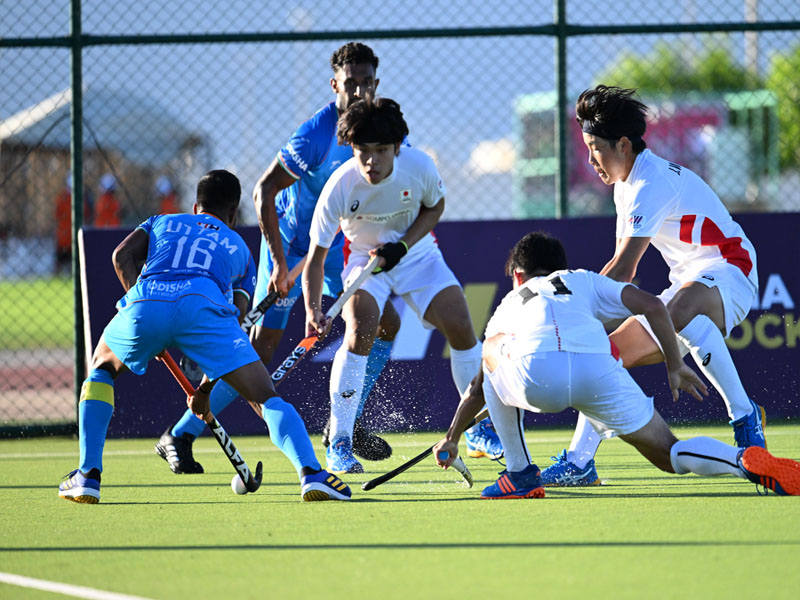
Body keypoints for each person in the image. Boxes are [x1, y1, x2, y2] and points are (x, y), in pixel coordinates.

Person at [157, 42, 500, 474]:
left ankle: (346, 423)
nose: (358, 92)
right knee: (260, 348)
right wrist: (281, 263)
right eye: (350, 84)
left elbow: (414, 191)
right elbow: (265, 192)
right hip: (292, 242)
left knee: (384, 326)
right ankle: (183, 432)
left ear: (376, 84)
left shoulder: (388, 133)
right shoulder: (317, 133)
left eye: (366, 83)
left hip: (342, 242)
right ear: (335, 83)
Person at [432, 231, 800, 498]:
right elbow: (653, 306)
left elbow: (479, 387)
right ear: (561, 268)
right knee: (669, 453)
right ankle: (744, 460)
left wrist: (452, 436)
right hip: (599, 370)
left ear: (517, 276)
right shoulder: (584, 280)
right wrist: (674, 364)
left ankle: (520, 474)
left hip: (537, 376)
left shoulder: (512, 301)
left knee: (490, 350)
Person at [58, 170, 351, 504]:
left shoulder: (162, 221)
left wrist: (143, 310)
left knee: (100, 369)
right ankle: (311, 473)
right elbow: (237, 319)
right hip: (204, 307)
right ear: (233, 213)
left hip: (145, 303)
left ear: (196, 206)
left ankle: (88, 475)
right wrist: (207, 387)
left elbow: (121, 256)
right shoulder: (240, 246)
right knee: (264, 396)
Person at [540, 85, 767, 487]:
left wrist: (568, 309)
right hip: (688, 282)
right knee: (605, 355)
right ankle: (578, 462)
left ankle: (744, 416)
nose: (591, 160)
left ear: (623, 144)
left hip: (731, 269)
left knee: (679, 310)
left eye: (595, 148)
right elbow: (614, 274)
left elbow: (624, 271)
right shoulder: (624, 186)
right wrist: (585, 321)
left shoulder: (650, 184)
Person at [303, 96, 498, 475]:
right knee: (360, 328)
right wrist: (313, 308)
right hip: (363, 260)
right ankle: (339, 442)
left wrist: (404, 244)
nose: (371, 161)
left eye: (381, 151)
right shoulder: (340, 186)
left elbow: (434, 206)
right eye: (363, 152)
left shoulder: (420, 166)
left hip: (418, 253)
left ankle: (476, 430)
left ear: (396, 147)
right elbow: (315, 257)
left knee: (461, 326)